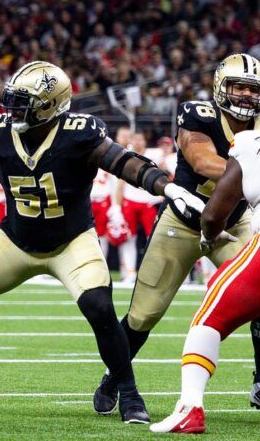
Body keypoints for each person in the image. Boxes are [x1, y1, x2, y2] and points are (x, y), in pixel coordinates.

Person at [0, 61, 204, 424]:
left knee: (99, 307)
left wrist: (166, 186)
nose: (12, 110)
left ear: (51, 105)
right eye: (13, 101)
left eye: (24, 102)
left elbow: (125, 163)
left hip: (71, 242)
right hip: (15, 240)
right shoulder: (0, 133)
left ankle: (128, 391)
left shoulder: (77, 133)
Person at [93, 54, 260, 415]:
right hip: (183, 223)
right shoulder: (197, 114)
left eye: (253, 89)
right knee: (143, 314)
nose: (247, 95)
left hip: (235, 223)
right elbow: (203, 161)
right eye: (239, 87)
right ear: (220, 87)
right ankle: (114, 376)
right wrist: (252, 167)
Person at [150, 129, 260, 434]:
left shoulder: (250, 143)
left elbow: (214, 214)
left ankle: (190, 408)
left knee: (209, 319)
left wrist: (209, 234)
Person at [112, 130, 164, 283]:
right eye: (135, 139)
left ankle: (153, 272)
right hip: (130, 200)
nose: (138, 142)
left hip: (149, 202)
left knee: (153, 239)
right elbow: (120, 185)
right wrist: (117, 207)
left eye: (140, 139)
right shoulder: (126, 156)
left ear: (145, 141)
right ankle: (130, 272)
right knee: (128, 238)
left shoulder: (155, 155)